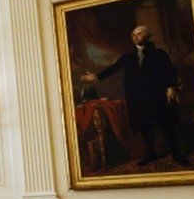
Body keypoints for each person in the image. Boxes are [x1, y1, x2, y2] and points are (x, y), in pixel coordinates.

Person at [80, 25, 187, 166]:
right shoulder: (128, 57)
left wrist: (171, 87)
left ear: (148, 36)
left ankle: (176, 153)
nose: (136, 37)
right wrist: (96, 77)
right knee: (144, 125)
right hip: (137, 97)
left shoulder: (159, 54)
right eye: (133, 35)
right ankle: (151, 153)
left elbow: (169, 71)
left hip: (157, 95)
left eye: (139, 34)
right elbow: (113, 69)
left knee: (167, 124)